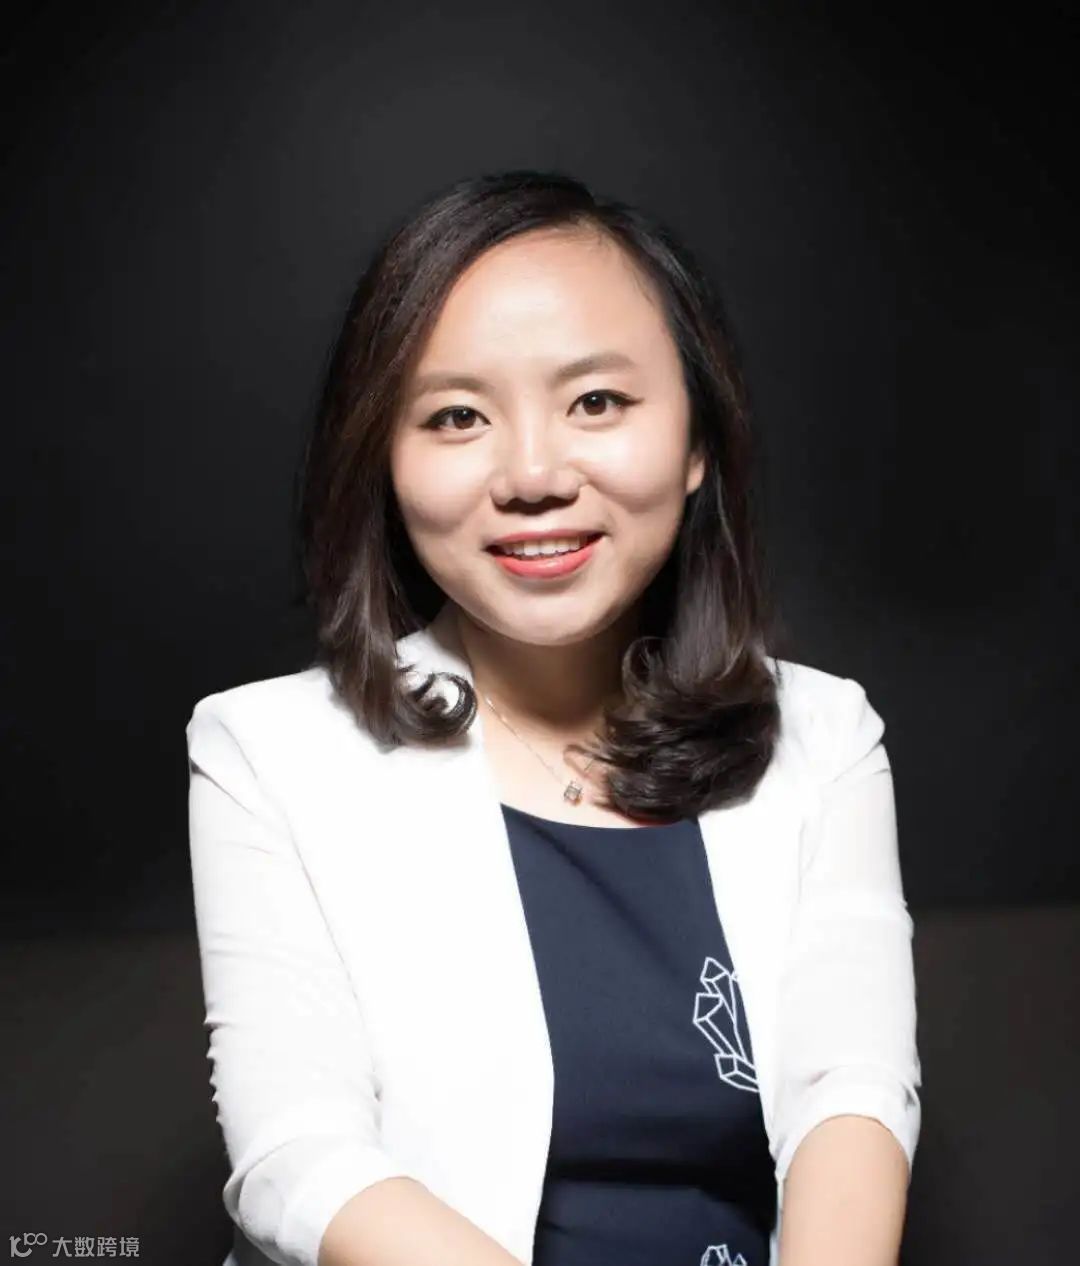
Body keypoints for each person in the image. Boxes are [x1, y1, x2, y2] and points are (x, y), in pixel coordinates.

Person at [186, 169, 921, 1266]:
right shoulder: (268, 752)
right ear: (384, 457)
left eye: (597, 402)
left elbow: (850, 1092)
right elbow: (301, 1158)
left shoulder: (823, 736)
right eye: (457, 416)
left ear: (698, 440)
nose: (532, 475)